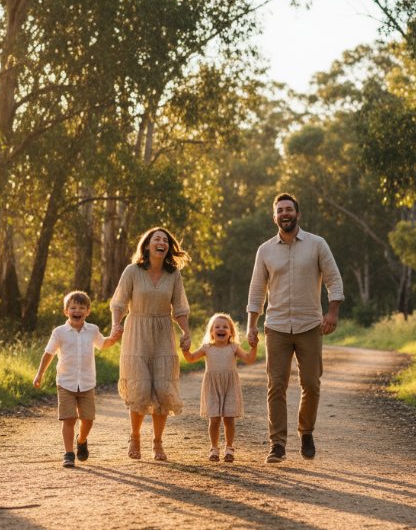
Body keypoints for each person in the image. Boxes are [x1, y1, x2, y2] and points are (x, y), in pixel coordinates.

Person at [247, 192, 344, 463]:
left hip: (310, 325)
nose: (285, 214)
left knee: (311, 384)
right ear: (274, 216)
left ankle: (306, 431)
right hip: (276, 326)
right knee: (276, 385)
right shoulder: (265, 250)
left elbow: (334, 280)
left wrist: (332, 313)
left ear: (297, 214)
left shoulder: (317, 244)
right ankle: (277, 444)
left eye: (289, 209)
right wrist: (251, 325)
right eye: (280, 210)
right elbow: (256, 290)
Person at [110, 227, 192, 461]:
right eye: (157, 239)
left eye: (165, 240)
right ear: (147, 245)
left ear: (168, 248)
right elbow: (119, 302)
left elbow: (180, 308)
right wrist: (116, 324)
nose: (162, 243)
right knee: (140, 387)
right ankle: (135, 437)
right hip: (137, 332)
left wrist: (186, 332)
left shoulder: (173, 274)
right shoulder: (132, 271)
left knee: (164, 389)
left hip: (163, 333)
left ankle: (157, 443)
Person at [33, 290, 121, 468]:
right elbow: (48, 353)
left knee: (88, 419)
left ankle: (81, 440)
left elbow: (102, 344)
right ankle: (68, 454)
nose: (77, 310)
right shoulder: (59, 332)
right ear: (66, 311)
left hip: (87, 383)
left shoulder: (92, 330)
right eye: (73, 307)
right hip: (65, 382)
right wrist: (39, 374)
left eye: (81, 307)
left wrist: (113, 338)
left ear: (88, 311)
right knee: (69, 419)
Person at [181, 313, 258, 462]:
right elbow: (190, 359)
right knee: (214, 419)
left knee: (229, 419)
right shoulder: (207, 348)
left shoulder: (234, 347)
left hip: (230, 386)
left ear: (231, 332)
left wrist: (253, 347)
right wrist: (185, 349)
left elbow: (249, 359)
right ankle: (214, 448)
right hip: (212, 387)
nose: (221, 329)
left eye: (225, 327)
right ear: (211, 332)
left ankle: (229, 448)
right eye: (217, 327)